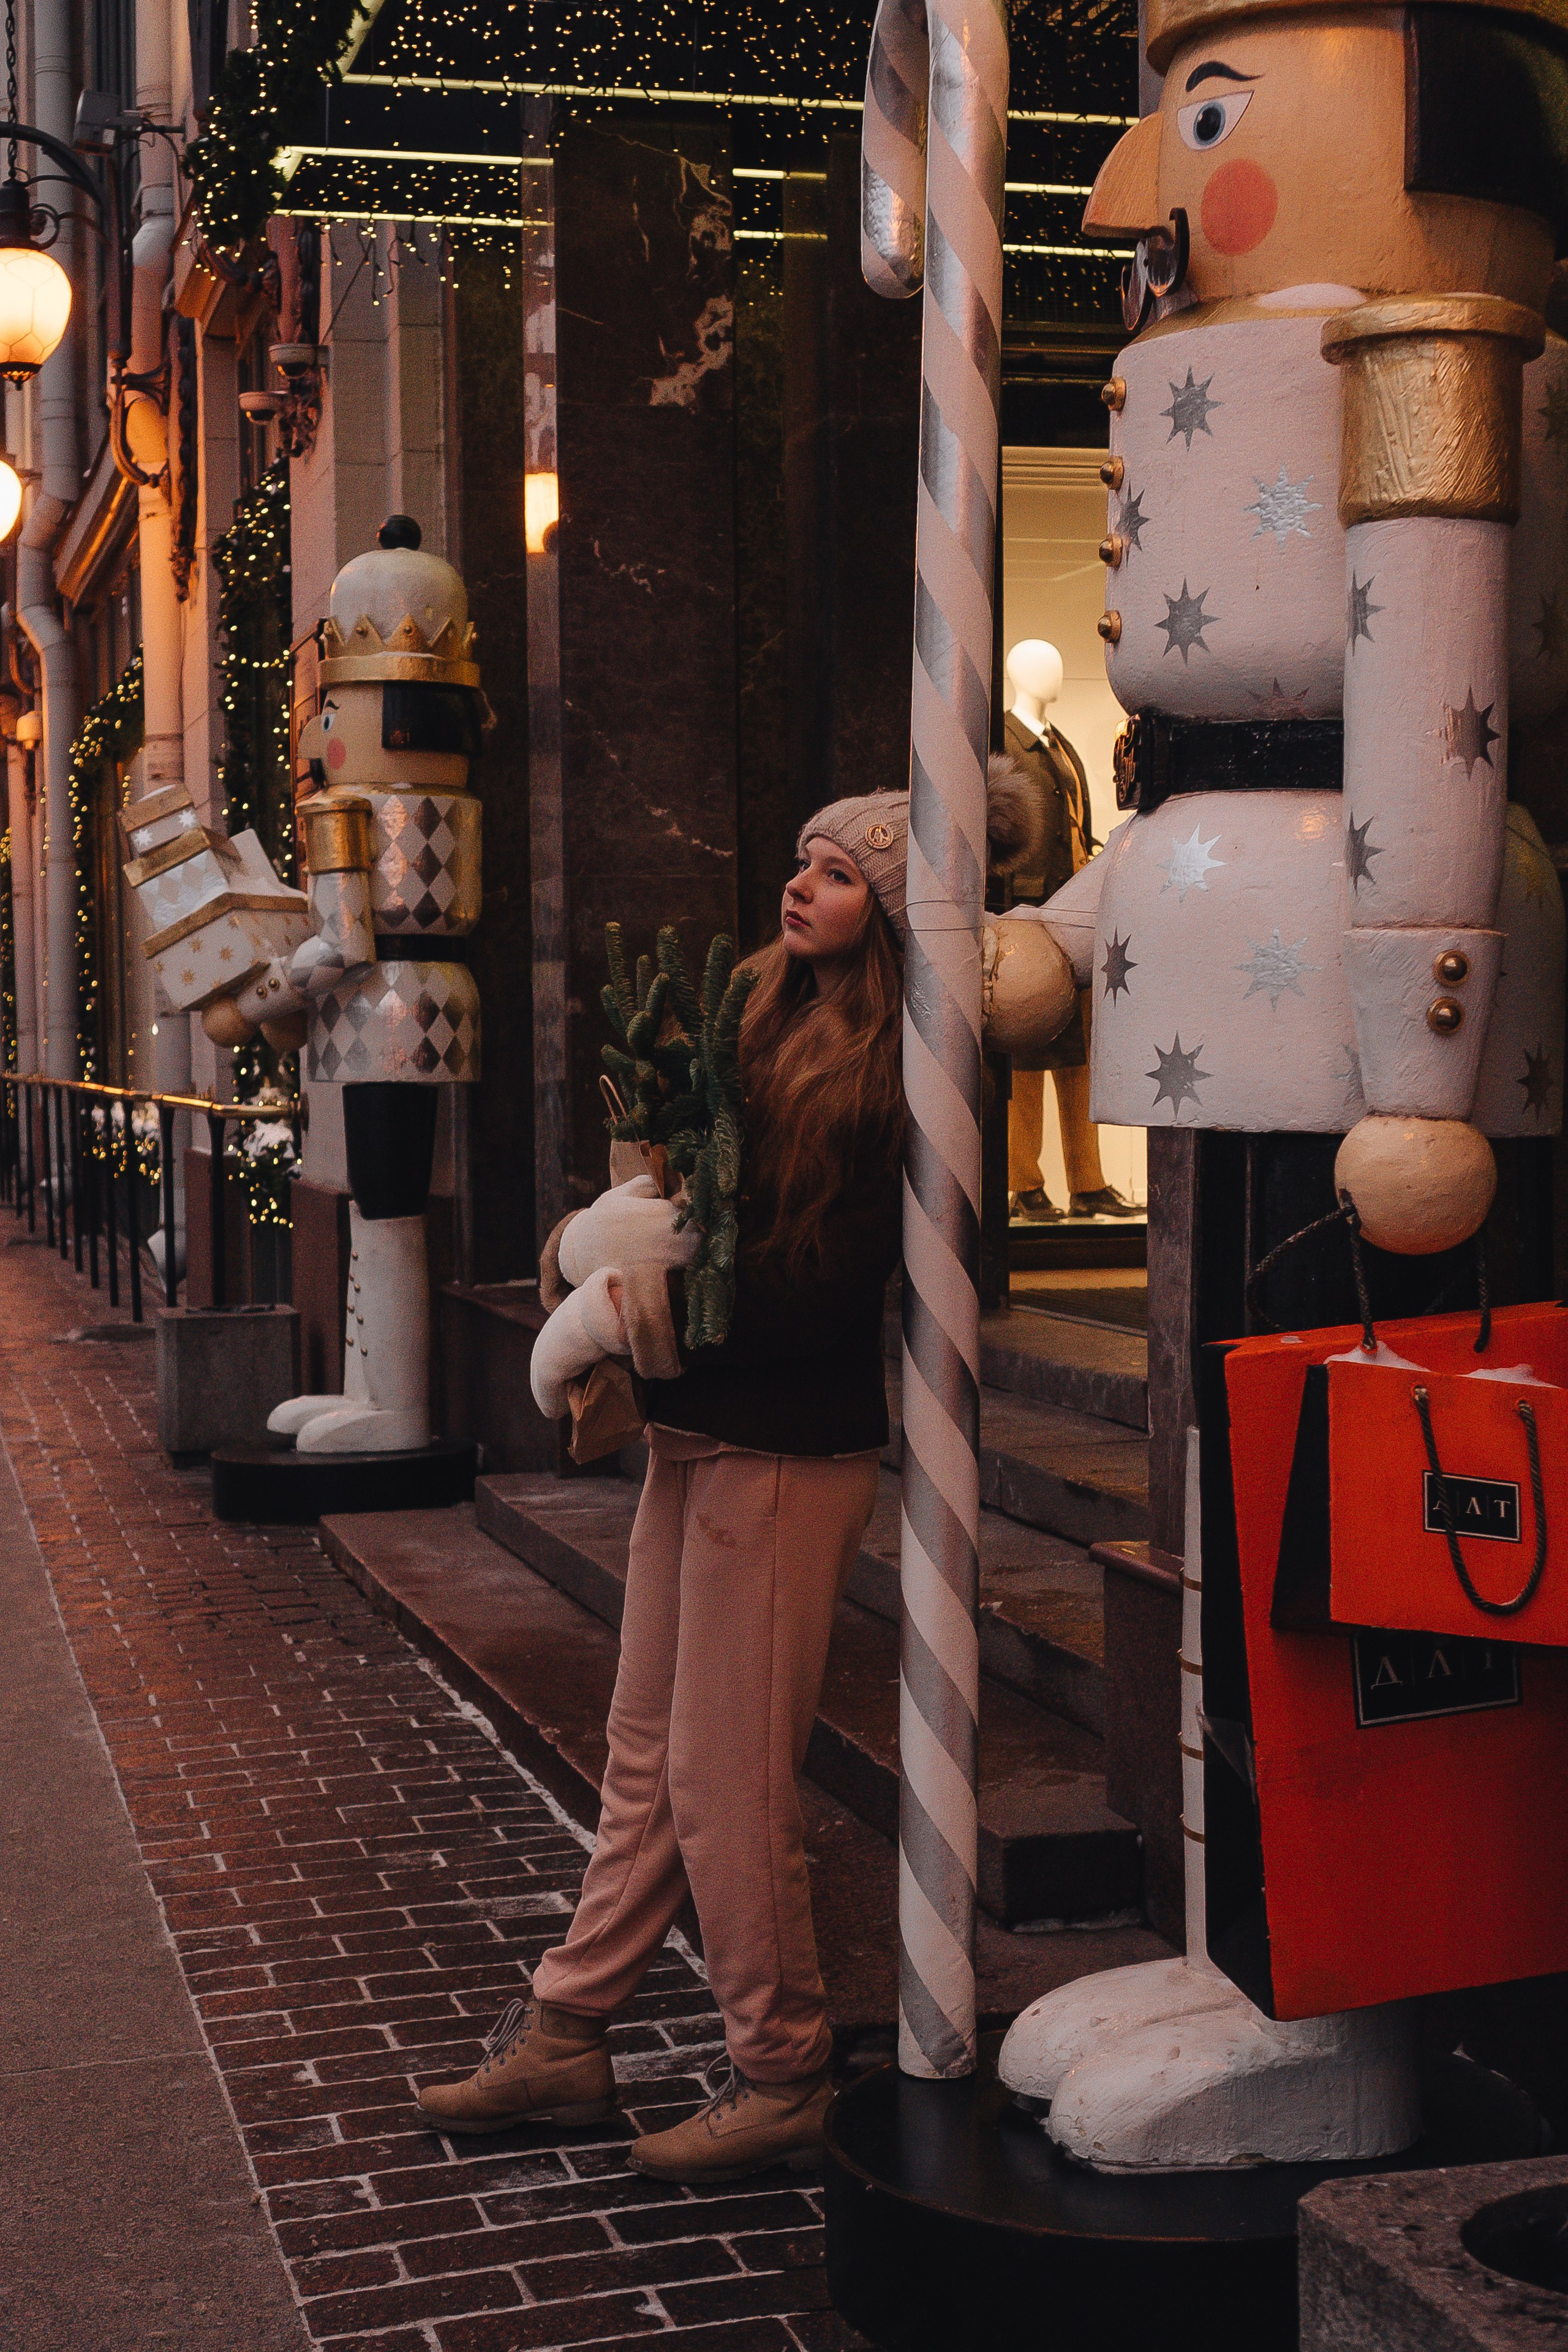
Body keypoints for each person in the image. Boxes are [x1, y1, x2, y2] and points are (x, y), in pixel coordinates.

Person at [416, 763, 1044, 2182]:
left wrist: (635, 1314)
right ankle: (571, 2031)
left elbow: (818, 1295)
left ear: (887, 912)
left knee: (725, 1781)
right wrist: (618, 1245)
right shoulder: (755, 1011)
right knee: (645, 1754)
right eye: (801, 860)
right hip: (695, 1436)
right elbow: (688, 1210)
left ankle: (782, 2068)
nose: (799, 884)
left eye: (835, 874)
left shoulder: (897, 1072)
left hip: (783, 1450)